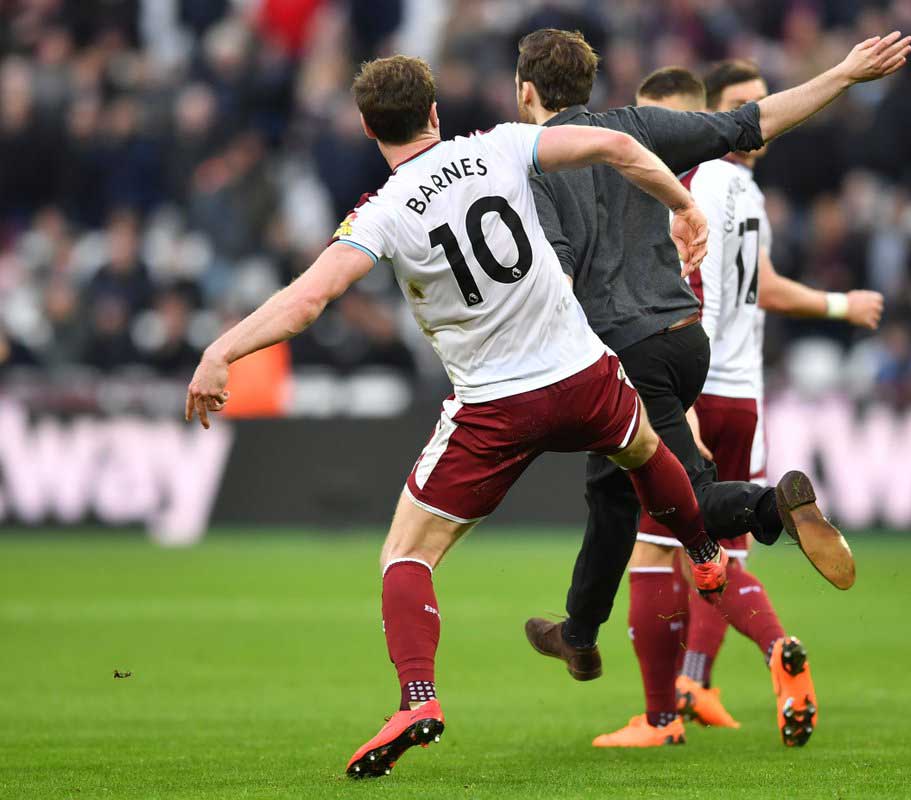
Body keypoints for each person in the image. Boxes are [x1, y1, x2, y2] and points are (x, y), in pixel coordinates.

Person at [183, 54, 729, 779]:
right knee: (643, 449)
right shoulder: (498, 145)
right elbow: (618, 146)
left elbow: (308, 301)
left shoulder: (379, 212)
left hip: (494, 407)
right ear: (435, 110)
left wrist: (223, 348)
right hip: (579, 373)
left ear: (368, 129)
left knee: (406, 555)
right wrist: (683, 206)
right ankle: (704, 553)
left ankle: (418, 699)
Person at [515, 28, 910, 737]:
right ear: (593, 84)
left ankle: (767, 509)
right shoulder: (634, 129)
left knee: (682, 500)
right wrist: (843, 74)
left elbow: (561, 275)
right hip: (686, 341)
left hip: (627, 354)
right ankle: (578, 634)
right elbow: (749, 123)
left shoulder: (539, 165)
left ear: (526, 94)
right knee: (610, 490)